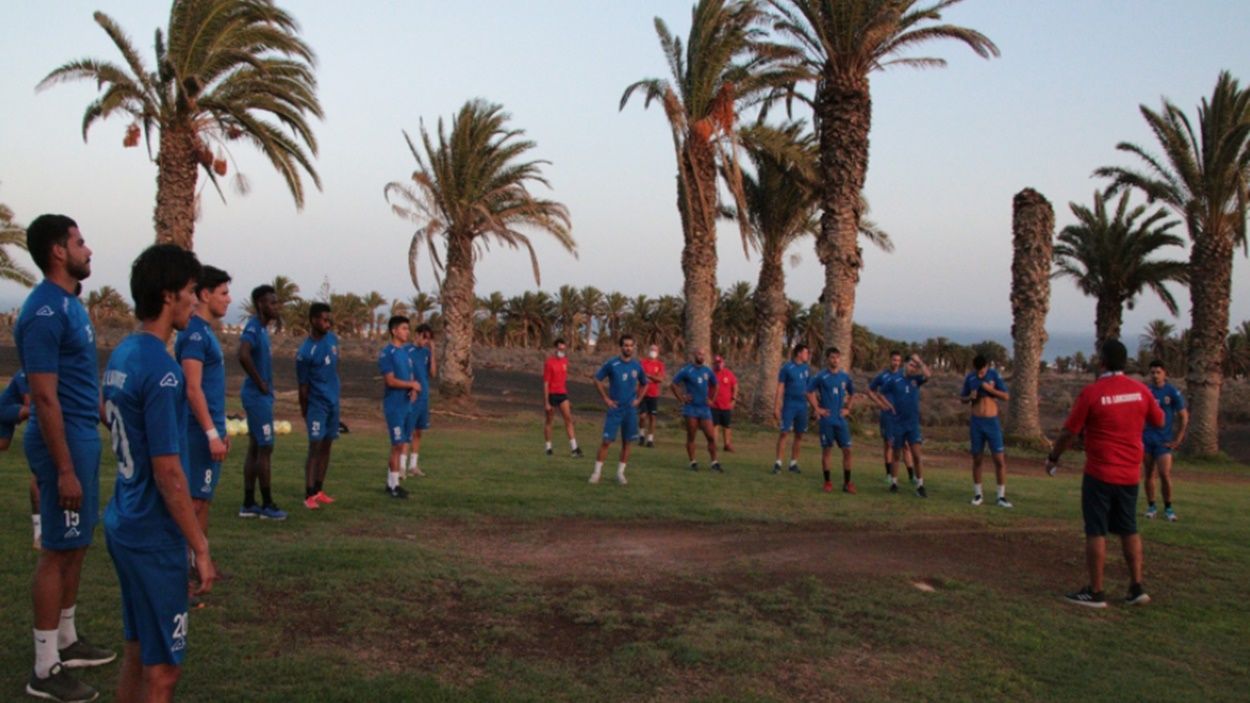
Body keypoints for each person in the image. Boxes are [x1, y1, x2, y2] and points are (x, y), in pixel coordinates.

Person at [102, 244, 217, 703]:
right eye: (191, 291)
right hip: (152, 533)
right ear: (169, 296)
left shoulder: (124, 354)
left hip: (123, 521)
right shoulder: (164, 372)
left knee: (137, 650)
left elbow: (106, 414)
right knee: (165, 670)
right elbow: (168, 473)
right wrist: (200, 547)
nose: (195, 300)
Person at [17, 214, 114, 703]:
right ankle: (43, 667)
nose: (88, 249)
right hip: (62, 445)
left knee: (76, 543)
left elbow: (81, 384)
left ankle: (68, 640)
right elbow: (45, 397)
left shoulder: (73, 306)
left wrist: (108, 420)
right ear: (58, 251)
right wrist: (64, 468)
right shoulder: (43, 312)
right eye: (79, 242)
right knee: (57, 549)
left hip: (81, 435)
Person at [1046, 339, 1163, 608]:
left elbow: (1069, 432)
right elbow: (1159, 420)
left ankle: (1096, 592)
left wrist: (1053, 458)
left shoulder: (1093, 393)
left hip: (1100, 473)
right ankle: (1136, 587)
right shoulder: (1141, 391)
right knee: (1129, 529)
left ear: (1102, 362)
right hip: (1130, 474)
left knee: (1096, 531)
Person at [174, 265, 231, 569]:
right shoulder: (194, 335)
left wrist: (220, 429)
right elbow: (193, 389)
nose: (229, 299)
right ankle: (182, 570)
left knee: (202, 501)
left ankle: (199, 566)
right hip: (196, 434)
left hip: (209, 430)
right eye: (223, 293)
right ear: (205, 295)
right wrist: (210, 433)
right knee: (193, 503)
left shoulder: (205, 333)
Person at [237, 285, 286, 520]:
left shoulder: (263, 329)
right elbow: (242, 354)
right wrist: (260, 383)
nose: (275, 307)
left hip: (260, 397)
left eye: (276, 302)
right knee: (265, 448)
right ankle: (267, 504)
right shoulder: (254, 328)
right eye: (271, 303)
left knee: (256, 447)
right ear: (259, 304)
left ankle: (248, 503)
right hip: (257, 397)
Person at [296, 303, 340, 510]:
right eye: (324, 319)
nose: (328, 323)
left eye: (329, 319)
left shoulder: (332, 340)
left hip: (333, 403)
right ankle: (309, 493)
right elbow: (302, 386)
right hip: (317, 405)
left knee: (327, 445)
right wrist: (305, 410)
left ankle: (319, 489)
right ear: (313, 320)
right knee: (314, 447)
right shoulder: (305, 351)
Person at [590, 335, 648, 485]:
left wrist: (638, 399)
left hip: (630, 410)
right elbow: (597, 379)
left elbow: (645, 383)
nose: (628, 348)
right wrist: (606, 399)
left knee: (627, 442)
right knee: (606, 441)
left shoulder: (636, 365)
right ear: (620, 347)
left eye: (631, 345)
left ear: (634, 347)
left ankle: (620, 473)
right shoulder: (612, 363)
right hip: (615, 409)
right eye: (625, 345)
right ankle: (596, 473)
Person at [960, 354, 1012, 508]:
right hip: (976, 422)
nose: (980, 374)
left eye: (982, 371)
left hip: (992, 422)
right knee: (977, 459)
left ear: (986, 367)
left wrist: (990, 390)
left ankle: (1001, 496)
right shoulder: (970, 377)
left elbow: (1006, 396)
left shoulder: (994, 375)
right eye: (978, 372)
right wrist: (970, 397)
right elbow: (962, 399)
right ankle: (978, 494)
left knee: (999, 460)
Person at [1142, 360, 1188, 522]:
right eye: (1152, 372)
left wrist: (1178, 439)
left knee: (1164, 474)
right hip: (1147, 439)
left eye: (1158, 372)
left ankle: (1168, 508)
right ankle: (1151, 506)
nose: (1155, 376)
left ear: (1164, 373)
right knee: (1148, 474)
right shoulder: (1146, 391)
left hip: (1164, 440)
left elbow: (1183, 416)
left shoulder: (1172, 392)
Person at [379, 316, 420, 498]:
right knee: (396, 444)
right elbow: (390, 380)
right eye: (403, 328)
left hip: (406, 405)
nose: (407, 332)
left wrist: (413, 390)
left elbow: (409, 377)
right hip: (394, 406)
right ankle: (394, 486)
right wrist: (410, 385)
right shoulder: (387, 353)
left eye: (407, 328)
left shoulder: (405, 353)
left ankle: (391, 483)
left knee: (402, 443)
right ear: (394, 331)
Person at [807, 347, 856, 494]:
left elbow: (853, 393)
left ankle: (847, 483)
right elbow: (809, 392)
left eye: (837, 357)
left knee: (847, 450)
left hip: (841, 420)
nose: (835, 360)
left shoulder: (844, 377)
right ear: (827, 359)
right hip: (827, 419)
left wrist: (848, 409)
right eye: (832, 357)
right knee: (827, 450)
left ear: (840, 359)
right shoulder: (821, 376)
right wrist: (817, 408)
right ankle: (827, 482)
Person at [0, 369, 39, 549]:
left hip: (8, 410)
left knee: (3, 446)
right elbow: (30, 402)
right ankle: (40, 530)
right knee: (32, 410)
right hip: (5, 410)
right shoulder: (25, 374)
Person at [670, 347, 721, 473]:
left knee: (711, 437)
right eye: (699, 354)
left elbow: (716, 385)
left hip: (704, 409)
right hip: (691, 409)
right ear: (694, 355)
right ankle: (693, 462)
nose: (701, 356)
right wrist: (681, 398)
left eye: (703, 354)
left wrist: (711, 400)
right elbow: (673, 384)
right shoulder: (687, 370)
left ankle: (714, 462)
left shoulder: (707, 371)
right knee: (691, 436)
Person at [890, 354, 931, 498]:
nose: (913, 368)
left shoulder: (916, 380)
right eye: (911, 365)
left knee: (917, 456)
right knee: (896, 454)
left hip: (913, 425)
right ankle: (894, 482)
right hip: (898, 424)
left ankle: (920, 485)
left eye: (915, 366)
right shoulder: (895, 380)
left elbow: (928, 375)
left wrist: (920, 361)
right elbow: (881, 393)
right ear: (905, 365)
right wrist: (887, 406)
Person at [772, 344, 811, 475]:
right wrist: (776, 406)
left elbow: (809, 389)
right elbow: (780, 387)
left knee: (799, 434)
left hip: (802, 406)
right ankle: (778, 463)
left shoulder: (806, 368)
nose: (808, 355)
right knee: (784, 433)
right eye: (806, 353)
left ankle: (793, 463)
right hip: (789, 405)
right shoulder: (787, 368)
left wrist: (816, 407)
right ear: (799, 353)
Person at [404, 323, 437, 478]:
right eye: (424, 337)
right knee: (407, 431)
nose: (425, 341)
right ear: (416, 335)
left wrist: (433, 351)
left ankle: (413, 465)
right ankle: (402, 466)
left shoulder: (426, 352)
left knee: (418, 431)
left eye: (428, 339)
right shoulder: (406, 351)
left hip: (424, 397)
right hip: (411, 397)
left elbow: (432, 373)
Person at [543, 338, 582, 457]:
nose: (562, 350)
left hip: (562, 394)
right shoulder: (549, 362)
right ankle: (548, 447)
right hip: (552, 394)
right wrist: (546, 402)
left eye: (563, 349)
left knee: (568, 419)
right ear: (555, 348)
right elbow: (545, 383)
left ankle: (574, 448)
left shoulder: (565, 361)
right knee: (549, 421)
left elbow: (563, 380)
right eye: (560, 348)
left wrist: (567, 398)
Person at [639, 343, 665, 447]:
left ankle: (650, 439)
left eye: (655, 350)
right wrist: (654, 377)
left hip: (654, 394)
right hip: (642, 393)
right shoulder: (642, 363)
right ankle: (641, 435)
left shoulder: (660, 365)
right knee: (642, 416)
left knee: (652, 417)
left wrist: (649, 376)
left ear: (658, 352)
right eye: (651, 349)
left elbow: (660, 379)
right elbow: (640, 376)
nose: (653, 352)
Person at [710, 355, 738, 452]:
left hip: (726, 405)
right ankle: (714, 443)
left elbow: (735, 386)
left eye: (720, 363)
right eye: (716, 363)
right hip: (714, 405)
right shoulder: (711, 374)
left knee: (727, 426)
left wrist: (733, 399)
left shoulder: (729, 374)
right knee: (715, 425)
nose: (718, 365)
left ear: (723, 363)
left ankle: (727, 444)